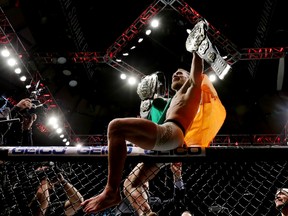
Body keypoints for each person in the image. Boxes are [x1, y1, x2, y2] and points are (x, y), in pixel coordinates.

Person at [81, 19, 227, 214]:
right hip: (167, 143)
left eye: (181, 73)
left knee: (116, 127)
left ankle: (109, 191)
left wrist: (196, 49)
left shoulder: (192, 86)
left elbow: (195, 73)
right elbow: (152, 120)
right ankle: (147, 213)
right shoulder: (172, 100)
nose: (176, 73)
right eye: (175, 72)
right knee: (131, 184)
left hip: (171, 133)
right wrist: (147, 102)